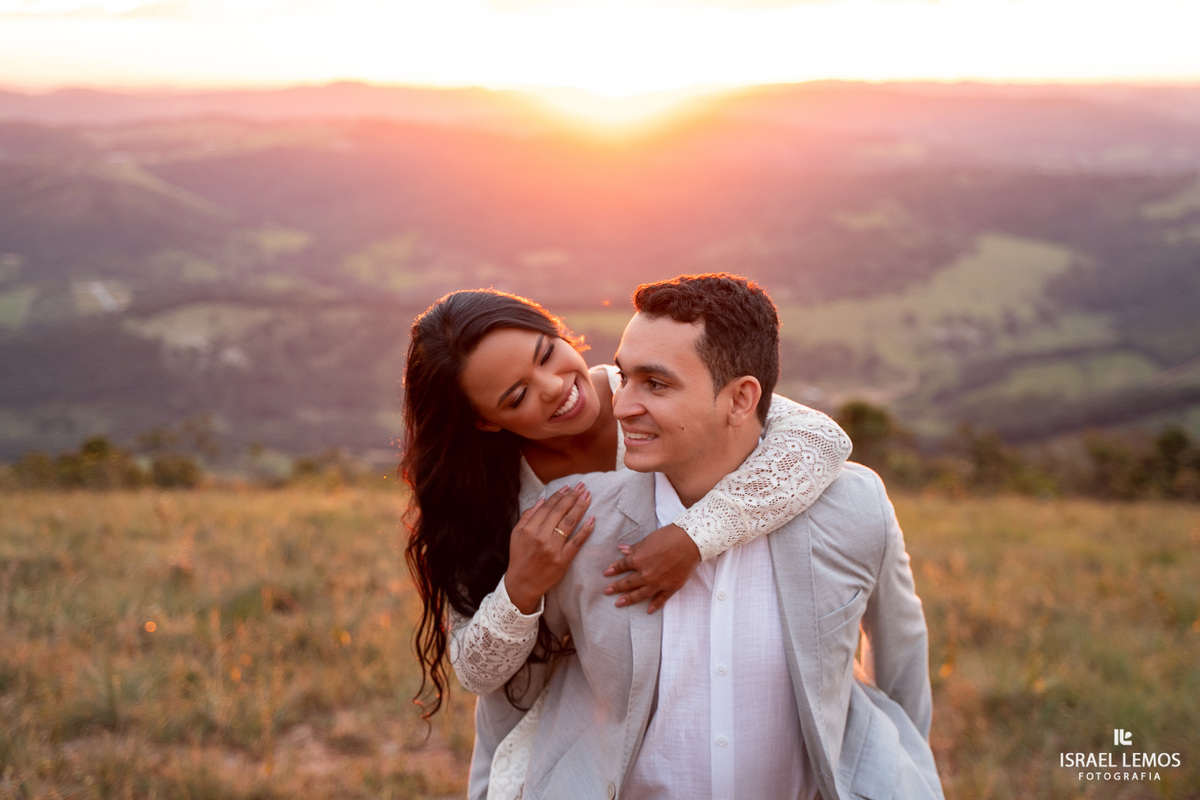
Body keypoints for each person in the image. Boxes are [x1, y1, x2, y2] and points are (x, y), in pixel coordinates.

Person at [470, 274, 942, 800]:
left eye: (656, 384)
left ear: (741, 400)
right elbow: (512, 700)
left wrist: (906, 773)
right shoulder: (569, 520)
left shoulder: (854, 506)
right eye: (625, 378)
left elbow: (902, 669)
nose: (619, 405)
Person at [400, 288, 852, 730]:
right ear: (485, 421)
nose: (556, 387)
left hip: (689, 708)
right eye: (517, 397)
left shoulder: (649, 388)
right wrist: (521, 588)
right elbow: (476, 672)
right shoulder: (481, 496)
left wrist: (693, 537)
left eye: (545, 354)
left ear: (559, 331)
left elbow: (820, 440)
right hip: (552, 731)